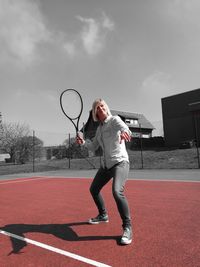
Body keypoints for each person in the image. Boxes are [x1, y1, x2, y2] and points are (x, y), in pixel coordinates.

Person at [76, 98, 132, 245]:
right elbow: (93, 146)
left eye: (102, 106)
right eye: (97, 108)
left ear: (106, 108)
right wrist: (83, 143)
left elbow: (124, 128)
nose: (100, 109)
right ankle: (103, 215)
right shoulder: (99, 129)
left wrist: (125, 132)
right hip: (106, 166)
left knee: (117, 192)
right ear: (95, 113)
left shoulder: (115, 120)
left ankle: (127, 227)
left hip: (120, 162)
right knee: (94, 189)